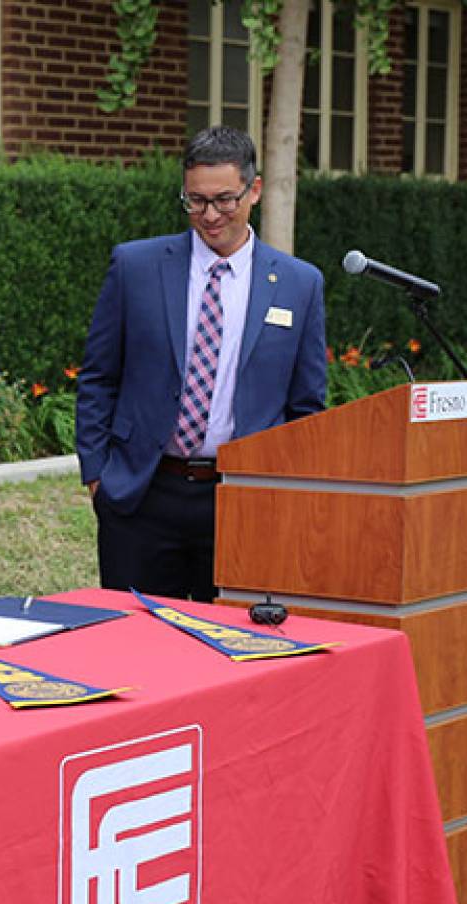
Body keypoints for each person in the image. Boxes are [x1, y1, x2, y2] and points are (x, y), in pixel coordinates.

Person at [76, 125, 327, 602]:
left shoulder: (299, 284)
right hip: (143, 496)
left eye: (224, 200)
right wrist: (97, 476)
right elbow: (98, 376)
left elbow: (305, 406)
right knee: (141, 651)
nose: (209, 215)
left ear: (254, 190)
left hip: (244, 501)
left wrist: (287, 493)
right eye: (195, 201)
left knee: (235, 652)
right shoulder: (135, 267)